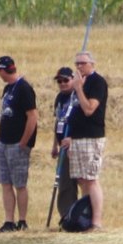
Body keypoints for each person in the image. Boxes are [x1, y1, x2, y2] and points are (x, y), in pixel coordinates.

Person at [61, 51, 108, 231]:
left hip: (91, 137)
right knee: (81, 179)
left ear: (92, 64)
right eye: (77, 63)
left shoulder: (97, 82)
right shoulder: (78, 82)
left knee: (91, 179)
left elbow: (89, 109)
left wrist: (79, 88)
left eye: (83, 63)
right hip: (77, 138)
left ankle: (96, 222)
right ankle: (84, 217)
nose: (79, 66)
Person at [0, 56, 38, 233]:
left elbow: (32, 117)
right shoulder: (8, 88)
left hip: (17, 144)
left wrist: (24, 142)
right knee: (5, 182)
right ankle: (9, 221)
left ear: (3, 70)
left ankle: (22, 220)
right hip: (3, 142)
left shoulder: (24, 88)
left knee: (19, 184)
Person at [51, 66, 79, 219]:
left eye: (66, 80)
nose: (62, 83)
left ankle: (83, 214)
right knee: (64, 183)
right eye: (59, 81)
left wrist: (74, 139)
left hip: (76, 144)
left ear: (73, 79)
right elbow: (58, 121)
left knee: (82, 181)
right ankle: (66, 216)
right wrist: (54, 145)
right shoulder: (59, 98)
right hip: (63, 145)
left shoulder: (78, 97)